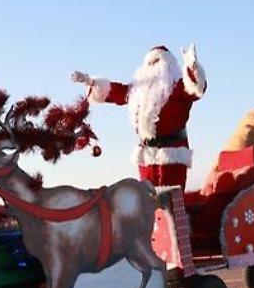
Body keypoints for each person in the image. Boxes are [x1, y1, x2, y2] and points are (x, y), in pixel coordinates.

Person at [71, 43, 207, 189]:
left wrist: (192, 67)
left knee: (172, 200)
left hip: (172, 154)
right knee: (147, 200)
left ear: (169, 66)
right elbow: (118, 92)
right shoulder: (138, 91)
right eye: (150, 63)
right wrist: (90, 81)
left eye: (157, 62)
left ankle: (176, 212)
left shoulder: (178, 87)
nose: (153, 66)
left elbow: (195, 88)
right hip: (146, 156)